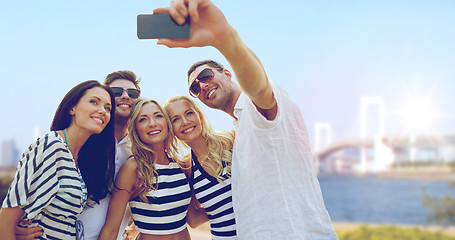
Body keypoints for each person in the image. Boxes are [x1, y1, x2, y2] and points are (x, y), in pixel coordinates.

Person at [154, 1, 339, 239]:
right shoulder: (240, 132)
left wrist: (225, 39)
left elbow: (259, 88)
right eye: (195, 87)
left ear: (227, 74)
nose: (203, 85)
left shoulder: (256, 108)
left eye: (207, 75)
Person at [13, 71, 142, 240]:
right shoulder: (81, 140)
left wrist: (136, 226)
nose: (125, 96)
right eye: (117, 92)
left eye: (132, 93)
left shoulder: (139, 151)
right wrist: (15, 227)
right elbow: (20, 197)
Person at [0, 80, 116, 239]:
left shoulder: (74, 158)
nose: (102, 110)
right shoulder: (51, 146)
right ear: (72, 108)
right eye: (93, 102)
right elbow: (6, 218)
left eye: (107, 108)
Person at [98, 98, 192, 240]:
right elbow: (110, 229)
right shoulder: (133, 167)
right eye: (143, 120)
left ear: (167, 122)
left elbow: (194, 218)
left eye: (158, 116)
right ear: (136, 129)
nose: (152, 124)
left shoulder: (180, 166)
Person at [164, 95, 236, 239]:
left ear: (199, 115)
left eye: (189, 113)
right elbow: (194, 219)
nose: (185, 122)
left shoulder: (231, 141)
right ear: (171, 129)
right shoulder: (186, 168)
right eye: (175, 119)